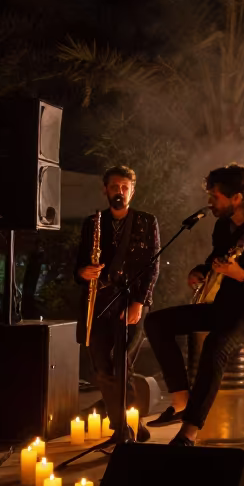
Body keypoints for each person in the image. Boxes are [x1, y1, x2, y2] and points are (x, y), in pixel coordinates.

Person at [145, 164, 244, 446]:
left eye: (215, 196)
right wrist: (200, 271)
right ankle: (181, 399)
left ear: (237, 198)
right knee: (156, 322)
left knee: (216, 345)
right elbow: (215, 260)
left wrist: (241, 275)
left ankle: (189, 431)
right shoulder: (223, 226)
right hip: (224, 304)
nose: (210, 202)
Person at [74, 165, 160, 442]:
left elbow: (153, 266)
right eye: (114, 187)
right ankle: (124, 427)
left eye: (125, 187)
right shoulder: (92, 222)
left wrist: (139, 302)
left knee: (121, 364)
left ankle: (126, 426)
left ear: (132, 192)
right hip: (98, 301)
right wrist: (83, 272)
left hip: (131, 300)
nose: (120, 192)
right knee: (101, 366)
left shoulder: (147, 221)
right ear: (106, 190)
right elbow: (78, 263)